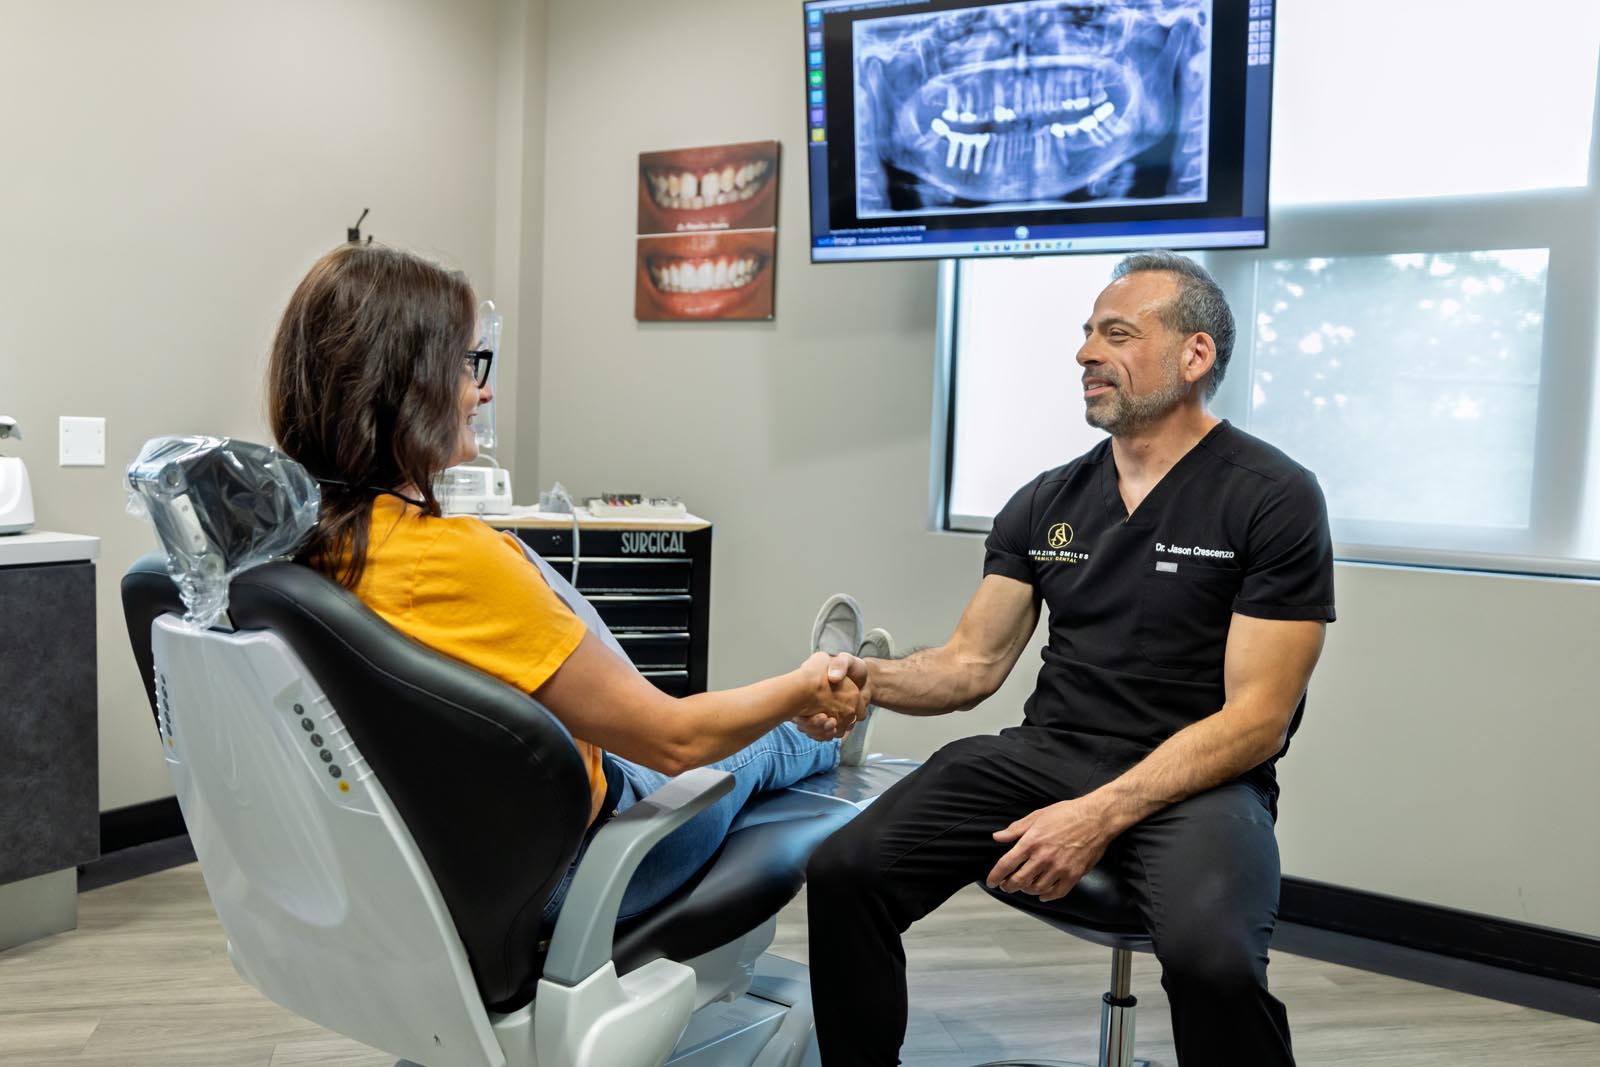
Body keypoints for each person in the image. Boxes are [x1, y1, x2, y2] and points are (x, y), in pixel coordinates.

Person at [802, 251, 1335, 1067]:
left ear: (1195, 357)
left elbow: (1258, 720)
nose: (1086, 352)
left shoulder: (1271, 495)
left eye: (1116, 333)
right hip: (1048, 756)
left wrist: (1101, 812)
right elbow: (970, 665)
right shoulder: (1047, 500)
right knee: (845, 868)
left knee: (1215, 965)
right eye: (1086, 333)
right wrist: (863, 682)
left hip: (1200, 782)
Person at [265, 242, 868, 923]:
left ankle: (818, 705)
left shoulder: (299, 549)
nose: (483, 389)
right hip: (581, 868)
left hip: (441, 864)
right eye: (468, 366)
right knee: (760, 741)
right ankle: (836, 707)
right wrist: (803, 687)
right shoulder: (456, 559)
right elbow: (675, 741)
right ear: (411, 385)